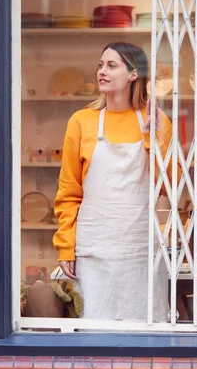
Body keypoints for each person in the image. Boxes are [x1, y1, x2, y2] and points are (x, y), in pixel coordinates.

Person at [53, 42, 172, 321]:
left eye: (111, 65)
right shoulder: (81, 121)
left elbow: (170, 187)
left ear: (133, 74)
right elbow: (69, 192)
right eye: (100, 65)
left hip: (140, 252)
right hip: (94, 250)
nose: (101, 72)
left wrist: (151, 140)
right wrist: (66, 245)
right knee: (94, 334)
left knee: (145, 335)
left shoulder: (156, 120)